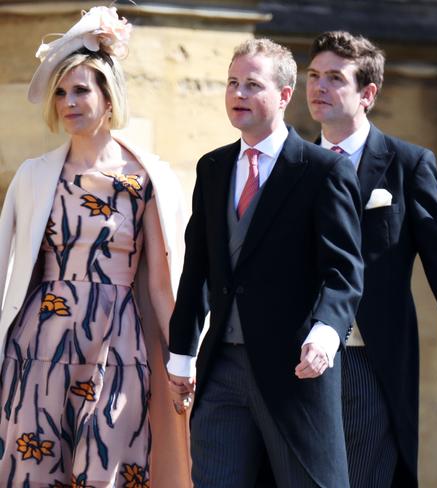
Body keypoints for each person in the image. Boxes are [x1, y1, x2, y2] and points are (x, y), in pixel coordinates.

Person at [0, 7, 191, 487]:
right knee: (31, 472)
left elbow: (161, 285)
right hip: (37, 345)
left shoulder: (147, 179)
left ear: (109, 96)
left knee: (109, 471)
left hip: (118, 345)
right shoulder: (33, 175)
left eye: (81, 89)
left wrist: (185, 359)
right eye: (61, 92)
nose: (68, 102)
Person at [166, 38, 364, 487]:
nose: (238, 94)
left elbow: (344, 273)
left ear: (284, 94)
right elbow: (198, 266)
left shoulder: (322, 171)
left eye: (252, 84)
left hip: (294, 371)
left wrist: (326, 333)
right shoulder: (212, 167)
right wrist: (181, 352)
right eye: (232, 83)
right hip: (222, 371)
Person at [306, 31, 437, 488]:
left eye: (335, 78)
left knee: (369, 477)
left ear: (368, 94)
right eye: (313, 75)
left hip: (373, 357)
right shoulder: (290, 163)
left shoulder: (408, 164)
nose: (319, 87)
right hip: (297, 356)